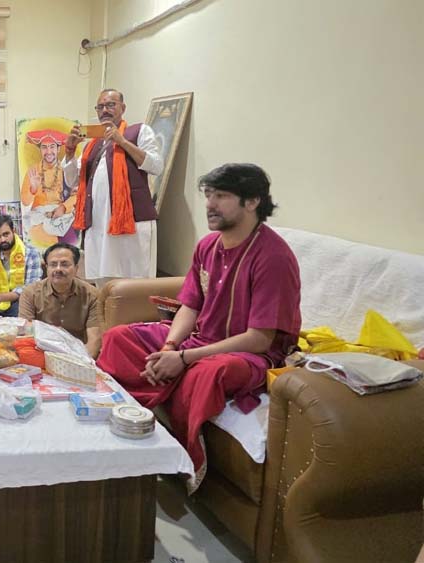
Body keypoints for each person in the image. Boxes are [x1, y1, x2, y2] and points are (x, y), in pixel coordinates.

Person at [96, 163, 301, 485]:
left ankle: (185, 453)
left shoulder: (273, 257)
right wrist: (169, 347)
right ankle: (118, 422)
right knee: (119, 338)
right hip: (199, 339)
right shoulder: (207, 246)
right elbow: (190, 306)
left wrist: (183, 359)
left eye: (221, 196)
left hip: (248, 354)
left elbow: (260, 339)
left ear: (252, 202)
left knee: (209, 374)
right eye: (208, 195)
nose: (210, 204)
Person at [63, 89, 164, 284]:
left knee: (135, 281)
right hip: (98, 225)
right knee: (104, 284)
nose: (105, 110)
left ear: (122, 108)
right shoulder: (91, 145)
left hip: (131, 225)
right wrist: (69, 151)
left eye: (110, 105)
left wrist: (122, 141)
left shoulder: (139, 132)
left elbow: (156, 166)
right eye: (100, 107)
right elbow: (72, 180)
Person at [18, 243, 101, 355]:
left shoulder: (93, 294)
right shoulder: (30, 293)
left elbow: (94, 340)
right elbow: (26, 334)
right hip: (42, 352)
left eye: (64, 264)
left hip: (80, 354)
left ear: (76, 268)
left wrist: (83, 362)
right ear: (46, 268)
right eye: (53, 264)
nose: (58, 269)